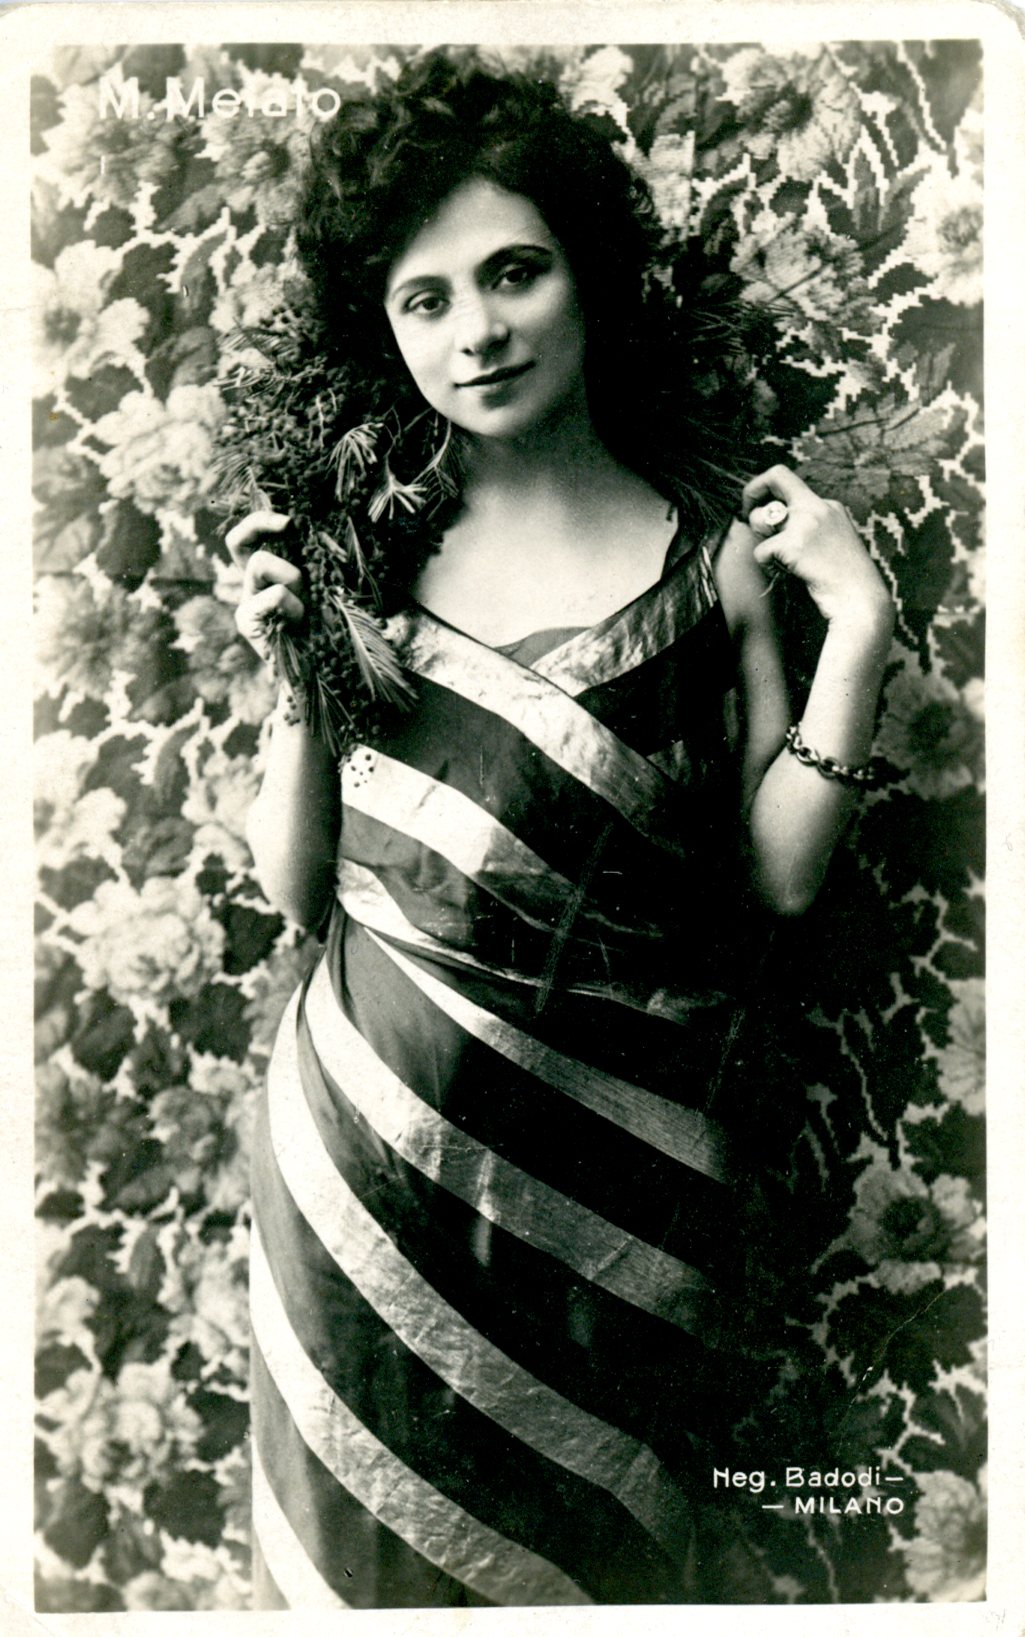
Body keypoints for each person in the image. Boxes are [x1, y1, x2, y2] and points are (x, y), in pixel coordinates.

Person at [226, 51, 895, 1609]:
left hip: (621, 1184)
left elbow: (779, 877)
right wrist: (295, 679)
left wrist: (855, 633)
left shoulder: (713, 559)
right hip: (364, 1172)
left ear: (588, 275)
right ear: (385, 330)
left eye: (513, 272)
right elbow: (295, 888)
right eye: (426, 298)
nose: (477, 330)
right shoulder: (359, 557)